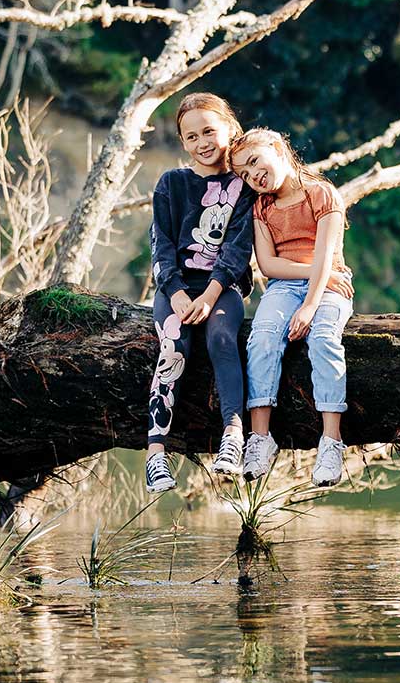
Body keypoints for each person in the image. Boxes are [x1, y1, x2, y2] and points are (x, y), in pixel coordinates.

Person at [228, 127, 352, 487]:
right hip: (286, 286)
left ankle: (331, 441)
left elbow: (327, 256)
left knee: (324, 339)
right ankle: (260, 438)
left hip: (331, 286)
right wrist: (318, 276)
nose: (254, 176)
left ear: (278, 148)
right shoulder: (261, 208)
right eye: (244, 175)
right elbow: (268, 266)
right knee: (262, 337)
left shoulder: (321, 193)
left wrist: (311, 305)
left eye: (254, 162)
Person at [145, 92, 255, 492]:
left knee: (223, 340)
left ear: (229, 129)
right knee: (174, 348)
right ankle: (156, 454)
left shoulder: (245, 188)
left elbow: (238, 250)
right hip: (176, 287)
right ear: (183, 142)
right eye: (191, 137)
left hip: (221, 288)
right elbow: (161, 245)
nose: (202, 142)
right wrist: (174, 292)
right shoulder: (172, 184)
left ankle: (233, 434)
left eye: (209, 131)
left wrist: (209, 297)